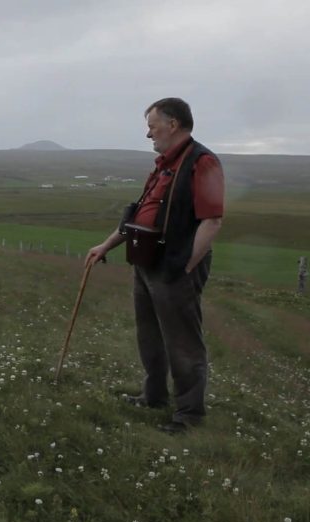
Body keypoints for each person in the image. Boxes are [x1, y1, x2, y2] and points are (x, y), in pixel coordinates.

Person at [85, 97, 225, 434]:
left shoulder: (201, 163)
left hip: (175, 268)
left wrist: (187, 266)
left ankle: (189, 414)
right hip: (147, 262)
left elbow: (212, 221)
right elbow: (140, 216)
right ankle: (154, 396)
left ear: (173, 124)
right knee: (149, 335)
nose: (149, 135)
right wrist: (106, 245)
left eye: (152, 126)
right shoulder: (164, 164)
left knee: (183, 342)